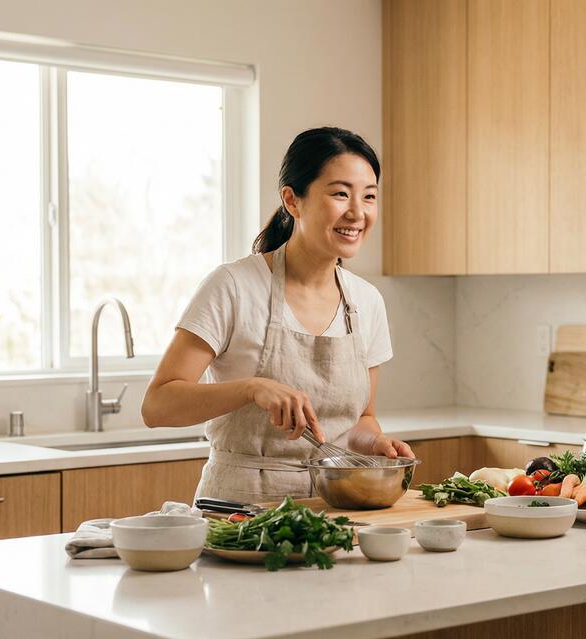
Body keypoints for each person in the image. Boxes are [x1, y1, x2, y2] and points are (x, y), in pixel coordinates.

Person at [142, 127, 413, 503]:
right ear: (292, 200)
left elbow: (360, 420)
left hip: (331, 507)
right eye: (340, 193)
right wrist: (251, 388)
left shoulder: (367, 302)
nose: (357, 212)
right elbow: (157, 405)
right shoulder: (233, 286)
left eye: (369, 196)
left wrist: (376, 442)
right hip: (239, 511)